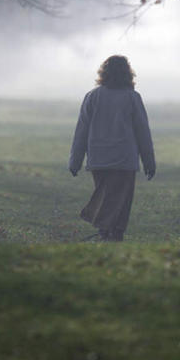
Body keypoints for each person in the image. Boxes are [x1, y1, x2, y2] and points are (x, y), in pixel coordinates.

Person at [68, 55, 156, 242]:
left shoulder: (92, 97)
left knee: (105, 197)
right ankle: (114, 233)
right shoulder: (132, 98)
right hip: (124, 159)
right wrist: (149, 162)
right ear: (128, 73)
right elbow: (142, 132)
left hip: (99, 158)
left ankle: (105, 232)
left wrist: (75, 161)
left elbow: (81, 131)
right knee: (121, 201)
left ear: (104, 73)